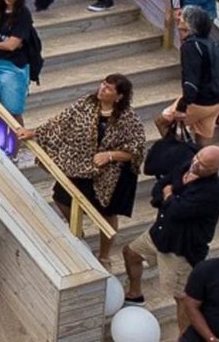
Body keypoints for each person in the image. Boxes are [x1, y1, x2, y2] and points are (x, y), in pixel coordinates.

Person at [20, 75, 146, 264]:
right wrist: (34, 132)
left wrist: (110, 155)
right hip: (81, 164)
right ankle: (78, 232)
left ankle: (104, 255)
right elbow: (60, 122)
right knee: (61, 198)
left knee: (107, 215)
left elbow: (137, 149)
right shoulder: (86, 104)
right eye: (103, 84)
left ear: (119, 96)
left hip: (112, 174)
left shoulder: (128, 118)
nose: (103, 89)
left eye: (109, 88)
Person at [121, 145, 219, 320]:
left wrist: (168, 195)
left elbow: (177, 211)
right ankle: (135, 294)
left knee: (183, 298)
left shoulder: (213, 192)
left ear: (215, 169)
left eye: (203, 165)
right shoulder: (187, 165)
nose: (195, 164)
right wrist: (165, 195)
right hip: (160, 233)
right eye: (197, 158)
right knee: (131, 253)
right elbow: (161, 185)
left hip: (181, 248)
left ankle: (185, 337)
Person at [163, 5, 219, 141]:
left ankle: (179, 155)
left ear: (187, 26)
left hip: (200, 102)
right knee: (202, 141)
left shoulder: (190, 47)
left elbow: (191, 82)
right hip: (216, 101)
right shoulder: (209, 43)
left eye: (181, 18)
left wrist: (182, 107)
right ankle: (200, 160)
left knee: (163, 122)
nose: (178, 19)